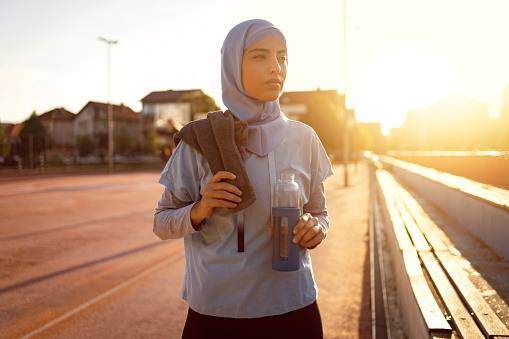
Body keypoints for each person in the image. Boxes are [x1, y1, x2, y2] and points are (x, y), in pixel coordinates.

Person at [153, 19, 333, 339]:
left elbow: (320, 213)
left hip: (294, 307)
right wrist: (201, 208)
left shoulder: (305, 138)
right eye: (260, 56)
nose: (275, 68)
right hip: (218, 312)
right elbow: (161, 222)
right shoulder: (199, 140)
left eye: (283, 57)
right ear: (233, 65)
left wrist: (315, 229)